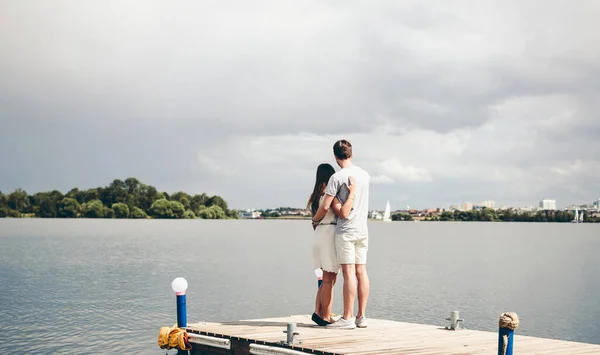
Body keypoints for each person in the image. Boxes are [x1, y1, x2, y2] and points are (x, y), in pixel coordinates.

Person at [312, 140, 370, 330]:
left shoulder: (337, 177)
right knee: (362, 272)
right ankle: (361, 316)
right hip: (363, 230)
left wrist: (315, 220)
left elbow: (328, 206)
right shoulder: (365, 175)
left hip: (346, 230)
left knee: (348, 273)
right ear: (351, 154)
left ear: (336, 156)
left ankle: (347, 318)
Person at [307, 163, 356, 326]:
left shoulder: (315, 195)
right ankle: (326, 316)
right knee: (329, 279)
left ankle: (318, 312)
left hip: (318, 235)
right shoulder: (329, 195)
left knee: (324, 279)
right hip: (329, 234)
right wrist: (351, 195)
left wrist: (314, 220)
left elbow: (318, 214)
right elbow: (342, 212)